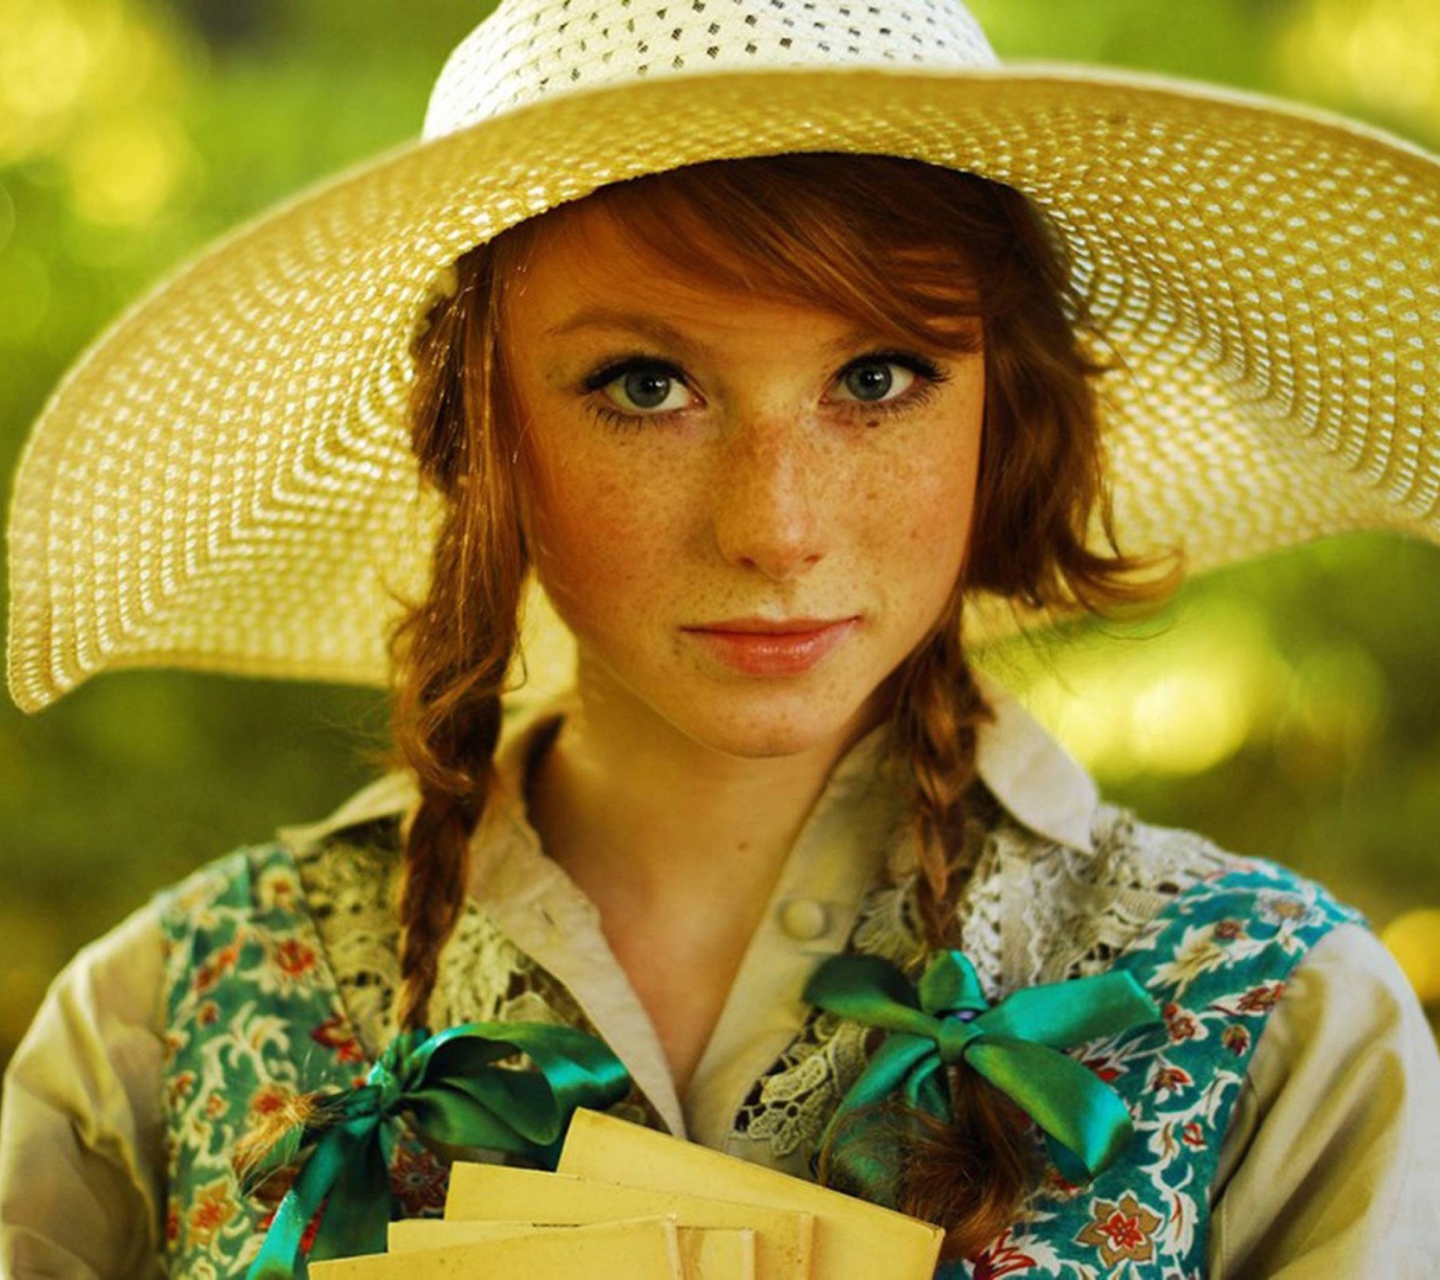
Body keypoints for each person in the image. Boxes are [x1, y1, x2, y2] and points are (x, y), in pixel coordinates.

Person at [3, 0, 1440, 1275]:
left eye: (878, 376)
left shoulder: (1273, 1026)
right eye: (644, 385)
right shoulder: (162, 1029)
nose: (778, 526)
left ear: (1008, 413)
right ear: (474, 430)